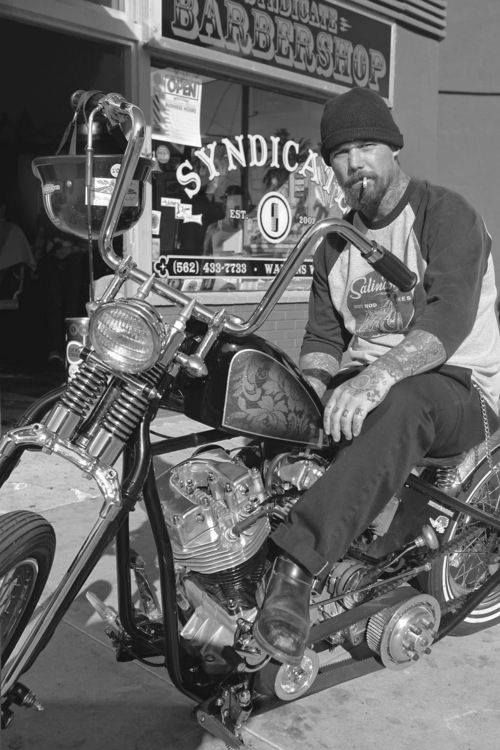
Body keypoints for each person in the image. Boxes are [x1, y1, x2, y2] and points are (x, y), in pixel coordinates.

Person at [253, 86, 500, 665]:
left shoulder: (446, 213)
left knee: (405, 399)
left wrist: (377, 376)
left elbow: (450, 315)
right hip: (380, 385)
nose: (354, 162)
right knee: (272, 409)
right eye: (340, 153)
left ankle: (296, 568)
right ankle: (243, 550)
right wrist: (306, 394)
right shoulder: (335, 242)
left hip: (463, 391)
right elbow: (321, 340)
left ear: (393, 148)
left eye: (366, 146)